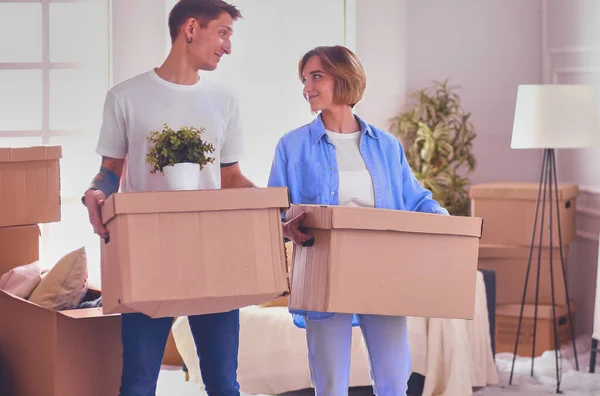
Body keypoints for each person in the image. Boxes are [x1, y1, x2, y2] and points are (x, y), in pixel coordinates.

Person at [82, 1, 254, 395]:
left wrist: (271, 204)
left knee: (223, 383)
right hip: (148, 253)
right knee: (140, 380)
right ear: (191, 28)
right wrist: (96, 191)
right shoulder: (125, 97)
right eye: (223, 33)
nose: (228, 46)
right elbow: (111, 170)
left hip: (213, 250)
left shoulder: (224, 101)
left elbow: (230, 177)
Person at [267, 45, 449, 396]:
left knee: (395, 375)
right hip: (322, 265)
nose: (307, 86)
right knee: (330, 379)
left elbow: (416, 199)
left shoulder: (386, 145)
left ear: (344, 77)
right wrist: (284, 224)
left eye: (316, 76)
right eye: (304, 79)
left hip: (382, 265)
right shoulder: (291, 146)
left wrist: (451, 232)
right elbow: (274, 208)